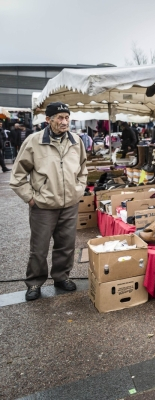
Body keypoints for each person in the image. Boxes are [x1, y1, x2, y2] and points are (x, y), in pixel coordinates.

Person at [9, 102, 88, 301]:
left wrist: (78, 190)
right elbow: (17, 177)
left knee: (66, 245)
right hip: (43, 206)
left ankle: (61, 277)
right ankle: (35, 282)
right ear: (48, 120)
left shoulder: (76, 141)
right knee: (39, 248)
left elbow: (83, 169)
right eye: (60, 118)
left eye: (67, 118)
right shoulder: (33, 141)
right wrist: (30, 198)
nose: (64, 122)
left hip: (69, 203)